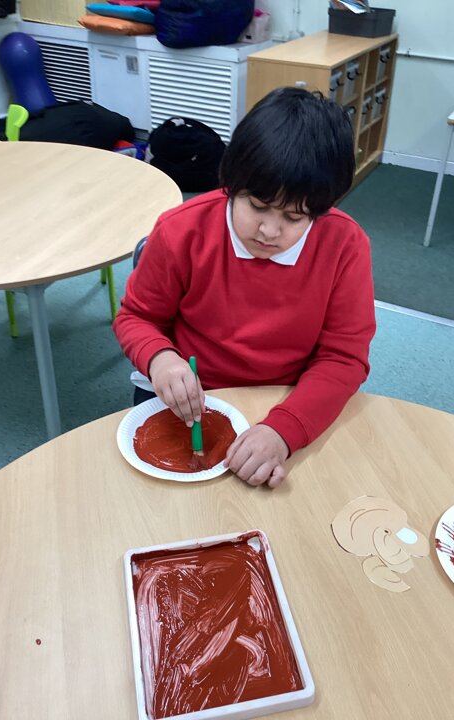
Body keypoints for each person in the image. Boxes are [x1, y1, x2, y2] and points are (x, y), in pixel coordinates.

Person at [113, 87, 375, 489]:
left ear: (321, 210)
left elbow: (344, 358)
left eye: (294, 217)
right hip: (189, 394)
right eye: (257, 205)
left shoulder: (345, 245)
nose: (269, 230)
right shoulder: (182, 231)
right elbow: (136, 317)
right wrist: (160, 359)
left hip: (288, 397)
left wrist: (285, 429)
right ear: (232, 183)